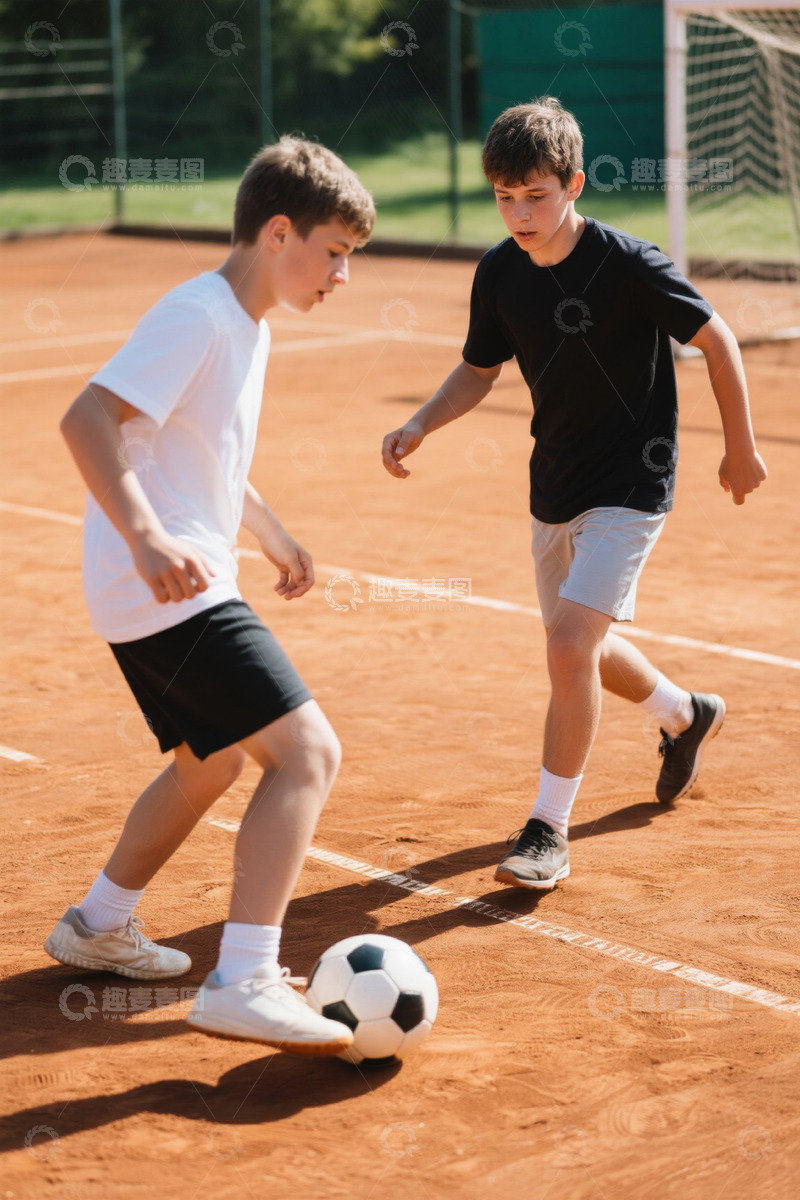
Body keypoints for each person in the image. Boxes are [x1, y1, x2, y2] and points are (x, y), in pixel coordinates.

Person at [381, 98, 766, 891]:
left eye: (535, 195)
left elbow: (717, 339)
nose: (519, 213)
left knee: (565, 648)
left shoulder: (629, 264)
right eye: (504, 197)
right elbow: (479, 370)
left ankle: (547, 830)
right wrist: (422, 421)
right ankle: (685, 715)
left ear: (574, 184)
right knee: (578, 645)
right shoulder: (498, 272)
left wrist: (740, 448)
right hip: (554, 482)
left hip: (633, 483)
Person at [45, 137, 375, 1054]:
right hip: (162, 582)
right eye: (337, 251)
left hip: (172, 578)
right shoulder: (198, 315)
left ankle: (99, 923)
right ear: (280, 233)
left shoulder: (247, 320)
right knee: (307, 752)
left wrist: (268, 531)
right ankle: (246, 980)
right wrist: (147, 535)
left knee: (213, 761)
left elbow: (201, 447)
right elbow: (88, 419)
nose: (343, 274)